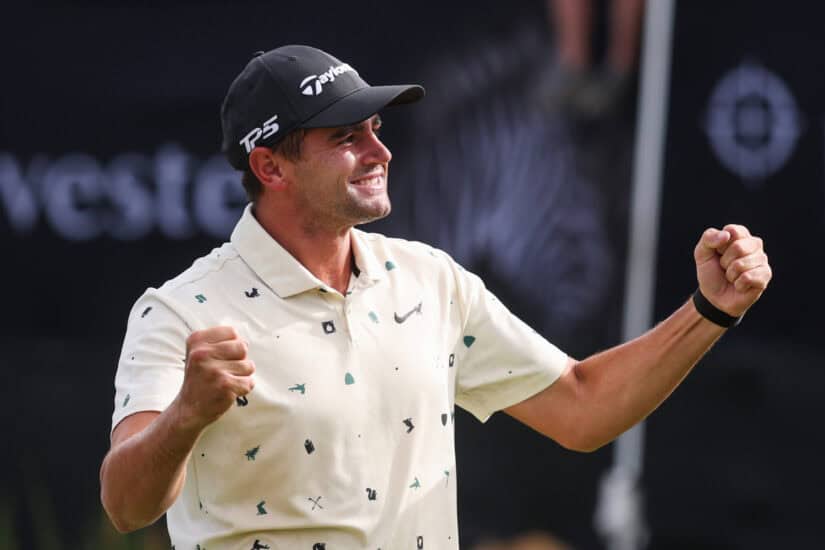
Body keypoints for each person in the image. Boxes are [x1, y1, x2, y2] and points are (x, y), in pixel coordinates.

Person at [99, 45, 772, 549]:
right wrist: (186, 415)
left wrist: (709, 310)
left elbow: (583, 406)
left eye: (375, 129)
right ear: (270, 166)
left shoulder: (430, 280)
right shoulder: (181, 311)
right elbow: (126, 506)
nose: (379, 151)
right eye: (345, 137)